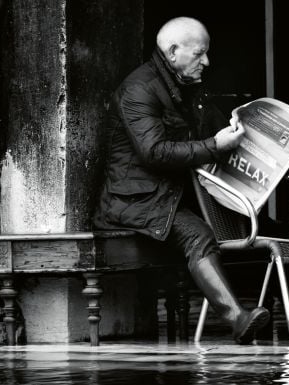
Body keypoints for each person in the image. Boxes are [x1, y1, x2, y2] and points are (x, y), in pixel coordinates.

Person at [93, 17, 270, 344]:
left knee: (263, 223)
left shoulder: (186, 87)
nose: (207, 62)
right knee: (198, 235)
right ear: (173, 52)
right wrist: (215, 145)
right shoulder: (139, 89)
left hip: (170, 194)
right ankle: (238, 319)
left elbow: (211, 129)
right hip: (135, 200)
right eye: (199, 54)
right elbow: (154, 152)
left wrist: (241, 129)